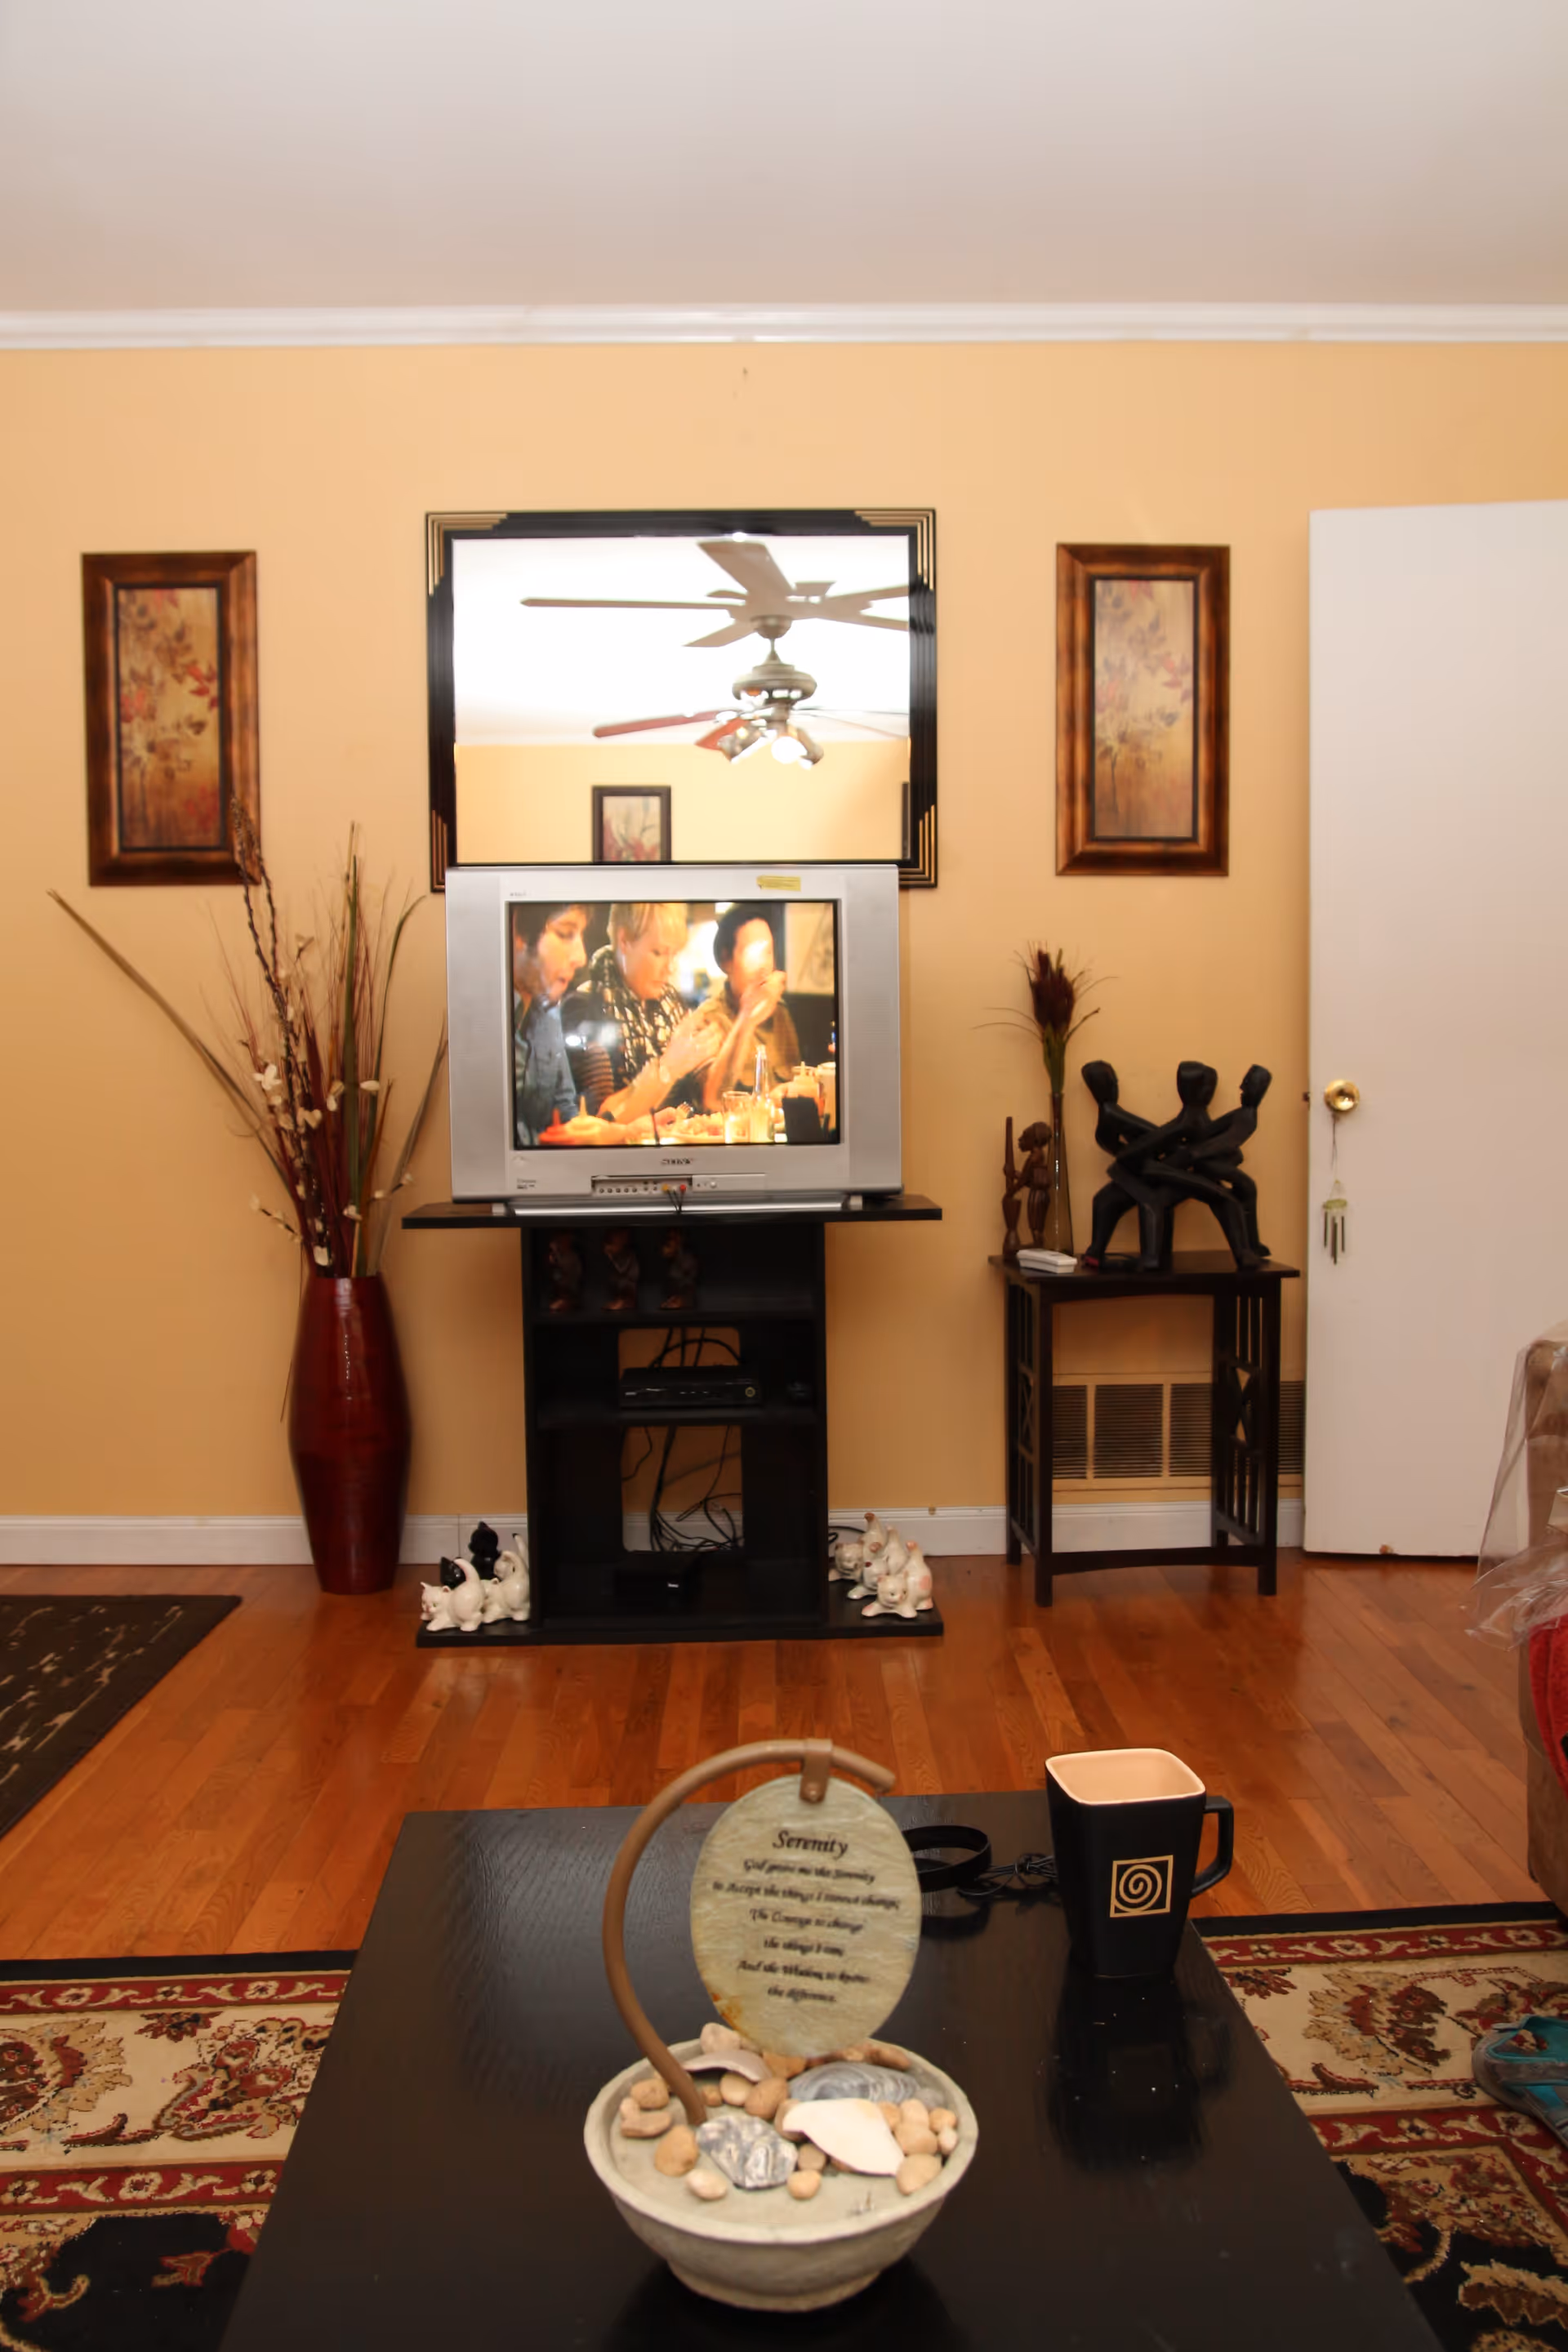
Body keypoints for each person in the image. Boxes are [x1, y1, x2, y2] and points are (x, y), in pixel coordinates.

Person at [563, 902, 719, 1129]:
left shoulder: (670, 1003)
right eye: (658, 953)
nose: (670, 967)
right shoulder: (586, 1007)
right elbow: (600, 1121)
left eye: (673, 954)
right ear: (625, 941)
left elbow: (708, 1099)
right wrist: (668, 1067)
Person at [699, 904, 802, 1111]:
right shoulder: (708, 1020)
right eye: (753, 953)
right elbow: (712, 1103)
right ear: (725, 960)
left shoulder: (781, 1012)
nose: (763, 966)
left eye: (768, 952)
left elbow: (795, 1080)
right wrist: (747, 1019)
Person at [511, 902, 589, 1144]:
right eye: (566, 934)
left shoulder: (549, 1016)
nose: (581, 958)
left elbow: (566, 1109)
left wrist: (625, 1132)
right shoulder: (484, 1022)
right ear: (519, 933)